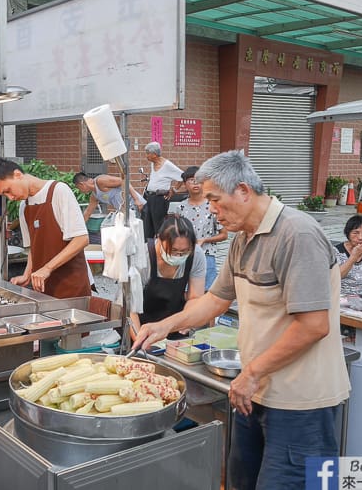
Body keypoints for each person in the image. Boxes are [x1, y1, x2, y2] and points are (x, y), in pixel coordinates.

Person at [133, 150, 350, 489]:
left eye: (215, 201)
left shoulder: (297, 234)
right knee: (240, 481)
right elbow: (214, 301)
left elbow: (313, 325)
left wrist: (251, 373)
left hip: (299, 403)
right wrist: (164, 326)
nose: (211, 210)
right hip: (254, 392)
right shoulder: (242, 240)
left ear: (244, 191)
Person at [0, 157, 91, 299]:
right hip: (43, 290)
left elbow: (82, 239)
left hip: (72, 288)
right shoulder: (24, 207)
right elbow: (33, 249)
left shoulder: (58, 191)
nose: (10, 197)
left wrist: (47, 268)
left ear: (18, 175)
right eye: (5, 195)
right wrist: (27, 274)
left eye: (8, 190)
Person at [130, 215, 206, 340]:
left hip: (174, 327)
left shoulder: (196, 255)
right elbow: (130, 309)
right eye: (173, 250)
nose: (179, 255)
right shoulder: (142, 258)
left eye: (185, 251)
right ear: (159, 239)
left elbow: (195, 297)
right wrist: (140, 342)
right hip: (141, 326)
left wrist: (187, 321)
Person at [176, 166, 228, 291]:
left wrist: (204, 240)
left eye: (198, 180)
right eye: (191, 180)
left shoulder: (213, 206)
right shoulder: (180, 207)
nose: (195, 183)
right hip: (184, 255)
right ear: (185, 184)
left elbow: (224, 234)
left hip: (207, 254)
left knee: (207, 291)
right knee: (185, 290)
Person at [141, 142, 183, 239]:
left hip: (159, 199)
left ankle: (161, 248)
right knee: (147, 227)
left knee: (159, 227)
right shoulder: (153, 163)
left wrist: (174, 190)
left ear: (154, 154)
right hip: (149, 197)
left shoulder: (167, 165)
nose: (146, 156)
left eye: (148, 153)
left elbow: (182, 176)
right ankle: (149, 249)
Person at [73, 172, 145, 221]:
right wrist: (80, 230)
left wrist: (137, 200)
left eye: (79, 188)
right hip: (127, 212)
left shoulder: (100, 181)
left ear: (81, 184)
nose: (80, 191)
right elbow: (88, 212)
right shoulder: (94, 196)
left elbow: (124, 181)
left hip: (137, 205)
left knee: (144, 233)